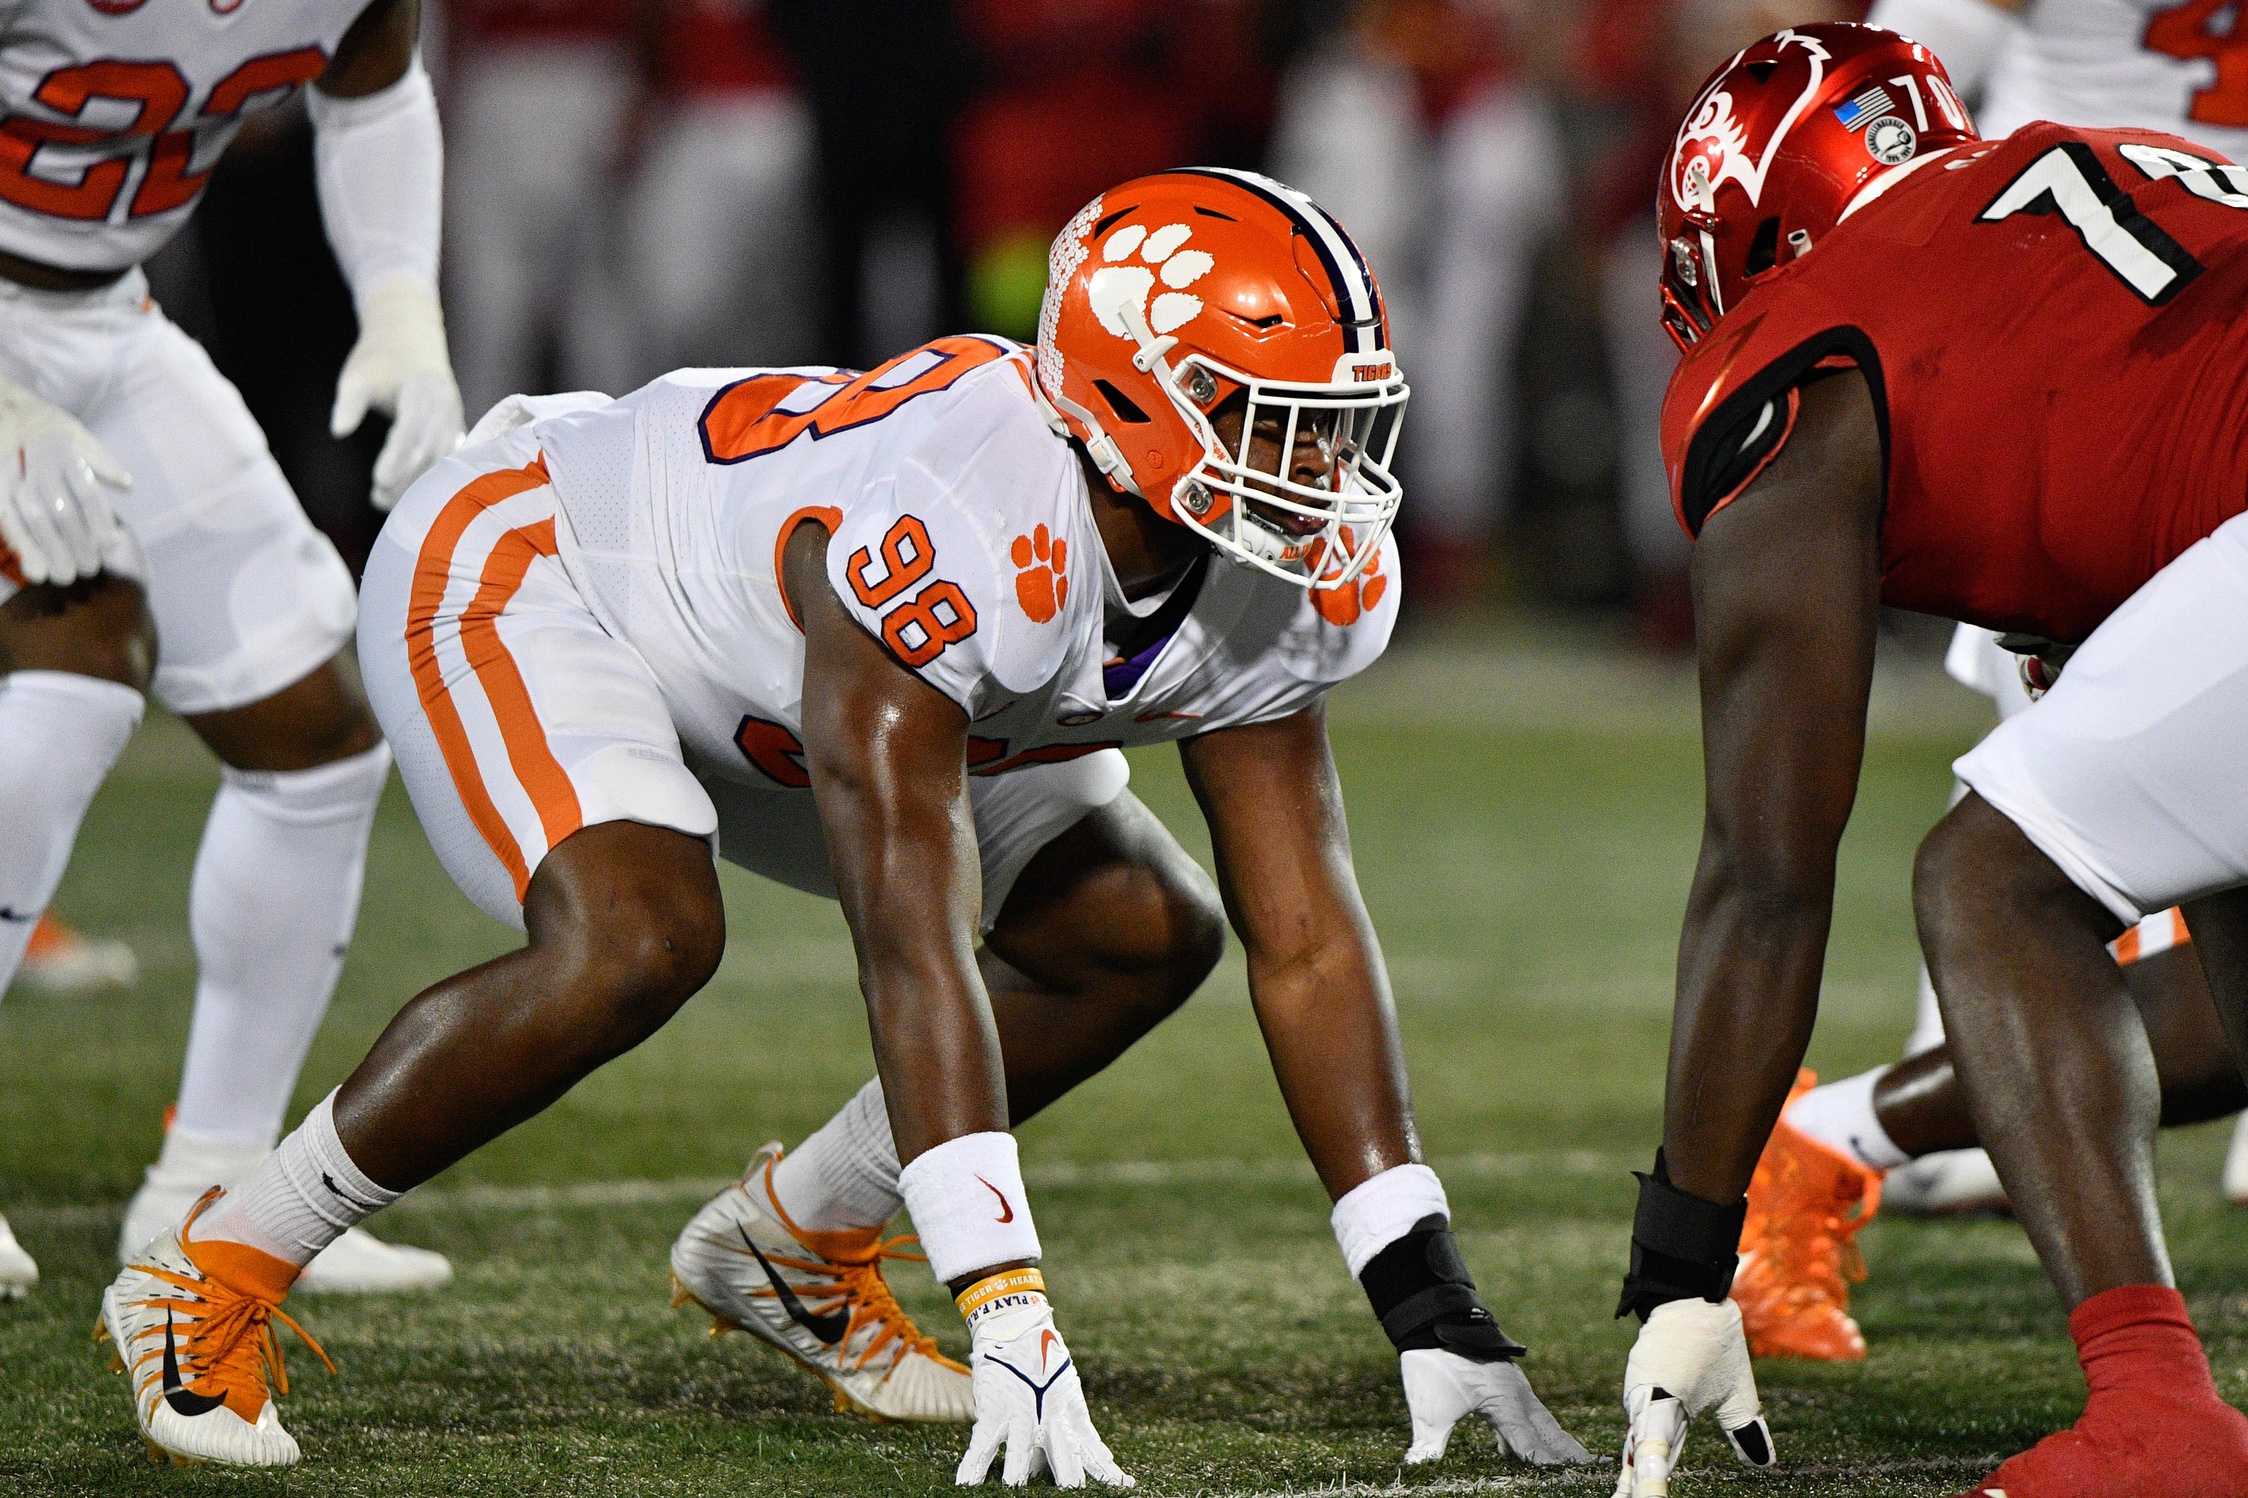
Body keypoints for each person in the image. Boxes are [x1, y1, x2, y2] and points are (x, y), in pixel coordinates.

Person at [97, 168, 1594, 1479]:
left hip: (809, 684)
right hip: (552, 568)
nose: (1323, 474)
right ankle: (215, 1265)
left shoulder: (1277, 575)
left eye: (1339, 426)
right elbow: (910, 945)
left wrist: (1431, 1301)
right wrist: (1008, 1298)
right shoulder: (965, 514)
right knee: (640, 937)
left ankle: (795, 1240)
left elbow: (1310, 938)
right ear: (1131, 398)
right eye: (1276, 422)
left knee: (1140, 931)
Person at [1609, 22, 2248, 1497]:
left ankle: (2155, 1417)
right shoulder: (2060, 194)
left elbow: (1764, 877)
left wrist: (1680, 1262)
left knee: (1990, 878)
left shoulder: (1797, 349)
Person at [0, 0, 464, 1302]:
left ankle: (208, 1186)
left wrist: (400, 303)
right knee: (76, 659)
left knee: (313, 726)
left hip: (105, 319)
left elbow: (374, 80)